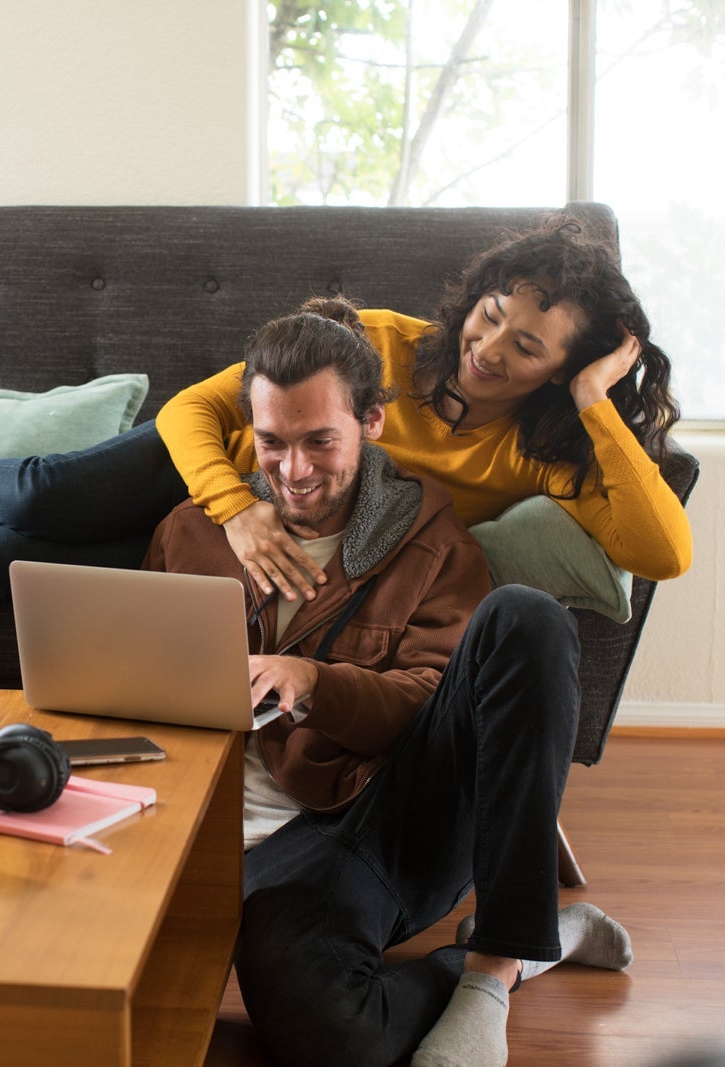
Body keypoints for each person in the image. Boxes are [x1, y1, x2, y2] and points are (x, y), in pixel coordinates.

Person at [0, 219, 690, 605]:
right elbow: (195, 409)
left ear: (562, 370)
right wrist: (235, 503)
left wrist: (596, 405)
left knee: (11, 566)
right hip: (214, 471)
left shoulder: (541, 455)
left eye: (528, 347)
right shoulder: (380, 341)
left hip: (248, 535)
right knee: (43, 496)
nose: (489, 346)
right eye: (490, 313)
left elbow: (662, 553)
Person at [142, 308, 633, 1067]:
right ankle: (535, 946)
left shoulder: (430, 534)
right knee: (333, 1033)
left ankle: (498, 961)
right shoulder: (191, 531)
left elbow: (428, 701)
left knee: (527, 617)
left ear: (371, 421)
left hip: (375, 812)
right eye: (272, 443)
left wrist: (313, 680)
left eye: (320, 442)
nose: (293, 470)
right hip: (243, 847)